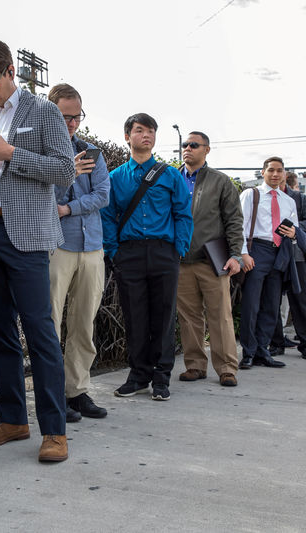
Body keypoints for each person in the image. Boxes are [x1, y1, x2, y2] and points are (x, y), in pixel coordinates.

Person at [0, 40, 75, 462]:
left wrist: (13, 154)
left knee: (40, 332)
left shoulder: (42, 111)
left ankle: (55, 430)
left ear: (10, 71)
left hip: (25, 236)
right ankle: (12, 420)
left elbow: (64, 170)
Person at [101, 113, 192, 401]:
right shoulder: (115, 177)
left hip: (164, 253)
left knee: (164, 317)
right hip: (129, 254)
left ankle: (161, 378)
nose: (147, 135)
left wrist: (179, 248)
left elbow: (183, 214)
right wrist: (114, 251)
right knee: (134, 316)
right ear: (127, 136)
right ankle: (138, 375)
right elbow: (107, 216)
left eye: (151, 131)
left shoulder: (170, 175)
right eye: (140, 130)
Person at [46, 83, 109, 422]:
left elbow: (102, 195)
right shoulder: (41, 149)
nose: (71, 123)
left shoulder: (92, 151)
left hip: (92, 247)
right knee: (50, 323)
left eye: (76, 116)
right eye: (65, 116)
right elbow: (43, 196)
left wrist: (69, 208)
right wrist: (66, 170)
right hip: (57, 246)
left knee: (84, 322)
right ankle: (54, 393)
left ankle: (78, 391)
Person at [175, 131, 243, 387]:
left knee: (220, 316)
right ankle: (194, 365)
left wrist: (235, 255)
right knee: (188, 317)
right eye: (185, 144)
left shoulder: (221, 181)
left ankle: (227, 368)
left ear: (207, 150)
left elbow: (234, 220)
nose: (188, 148)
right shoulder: (172, 178)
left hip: (212, 260)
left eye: (194, 145)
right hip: (181, 260)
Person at [237, 156, 298, 370]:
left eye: (279, 170)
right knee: (251, 305)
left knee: (271, 306)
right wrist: (244, 254)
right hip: (256, 251)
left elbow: (295, 231)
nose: (275, 174)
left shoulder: (288, 201)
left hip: (279, 253)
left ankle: (263, 351)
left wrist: (294, 233)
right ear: (263, 172)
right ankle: (248, 352)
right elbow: (239, 227)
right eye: (271, 170)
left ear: (284, 174)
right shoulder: (250, 195)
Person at [269, 171, 306, 360]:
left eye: (279, 174)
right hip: (271, 254)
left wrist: (293, 229)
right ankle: (276, 342)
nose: (275, 177)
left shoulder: (299, 198)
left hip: (295, 255)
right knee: (272, 301)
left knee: (300, 300)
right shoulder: (262, 197)